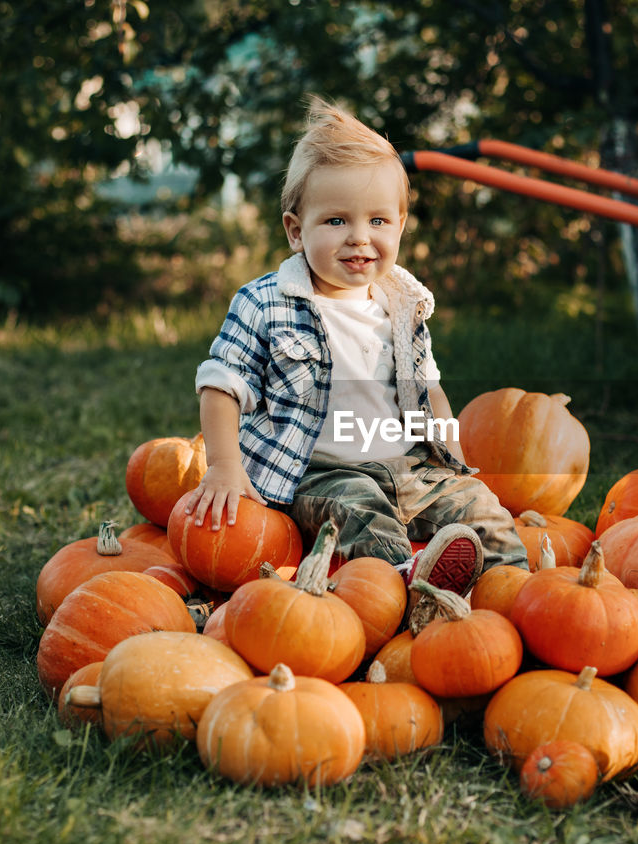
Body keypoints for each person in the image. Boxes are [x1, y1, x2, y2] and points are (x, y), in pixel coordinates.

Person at [185, 95, 528, 609]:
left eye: (378, 222)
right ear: (296, 231)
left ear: (400, 225)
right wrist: (224, 466)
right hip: (323, 470)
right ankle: (408, 592)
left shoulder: (404, 303)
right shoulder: (266, 302)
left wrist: (449, 455)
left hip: (408, 462)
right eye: (337, 222)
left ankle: (516, 596)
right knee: (362, 514)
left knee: (480, 508)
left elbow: (427, 387)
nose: (360, 238)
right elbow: (221, 384)